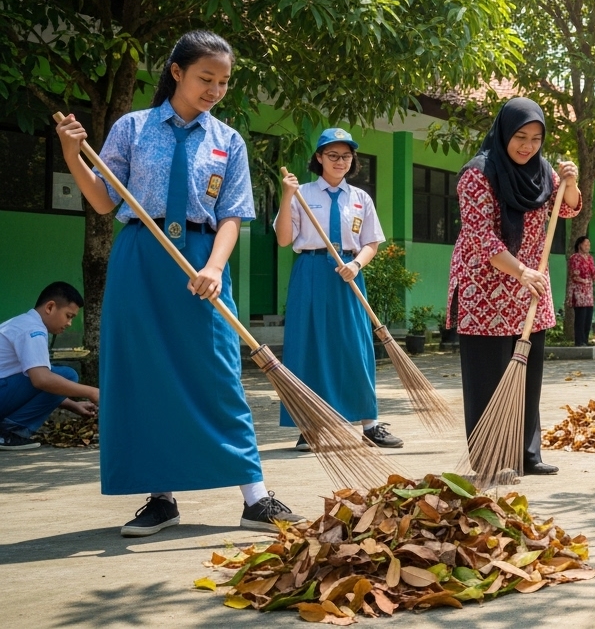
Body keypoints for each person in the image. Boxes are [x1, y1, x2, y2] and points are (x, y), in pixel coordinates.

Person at [55, 30, 301, 536]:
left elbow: (233, 215)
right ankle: (160, 498)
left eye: (224, 82)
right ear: (176, 73)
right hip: (141, 256)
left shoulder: (226, 140)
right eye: (205, 78)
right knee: (143, 375)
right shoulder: (133, 127)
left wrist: (213, 266)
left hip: (201, 258)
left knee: (218, 372)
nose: (214, 90)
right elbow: (104, 202)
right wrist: (71, 155)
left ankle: (254, 498)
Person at [448, 98, 580, 476]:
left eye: (537, 138)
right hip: (484, 287)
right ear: (504, 132)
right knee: (488, 376)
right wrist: (520, 271)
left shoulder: (543, 172)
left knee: (527, 371)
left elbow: (566, 208)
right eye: (520, 137)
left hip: (528, 289)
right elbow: (480, 239)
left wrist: (569, 182)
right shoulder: (477, 175)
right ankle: (491, 459)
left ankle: (526, 453)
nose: (528, 146)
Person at [274, 129, 398, 451]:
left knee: (354, 345)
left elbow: (371, 241)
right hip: (311, 272)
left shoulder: (360, 199)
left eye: (346, 156)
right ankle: (309, 426)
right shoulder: (302, 193)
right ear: (319, 158)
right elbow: (285, 239)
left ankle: (369, 425)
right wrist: (286, 197)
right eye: (333, 155)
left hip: (348, 273)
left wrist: (356, 265)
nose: (340, 161)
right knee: (307, 344)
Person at [0, 283, 99, 450]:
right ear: (50, 307)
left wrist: (73, 405)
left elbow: (33, 384)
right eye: (68, 316)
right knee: (67, 375)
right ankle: (9, 433)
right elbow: (42, 380)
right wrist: (92, 392)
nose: (69, 323)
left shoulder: (23, 323)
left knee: (57, 375)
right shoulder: (33, 330)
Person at [566, 236, 595, 347]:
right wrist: (585, 280)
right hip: (578, 292)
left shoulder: (590, 258)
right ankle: (579, 341)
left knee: (588, 317)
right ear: (580, 245)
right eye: (586, 244)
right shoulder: (575, 258)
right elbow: (574, 275)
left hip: (588, 293)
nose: (588, 246)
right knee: (580, 317)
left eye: (589, 244)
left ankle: (585, 340)